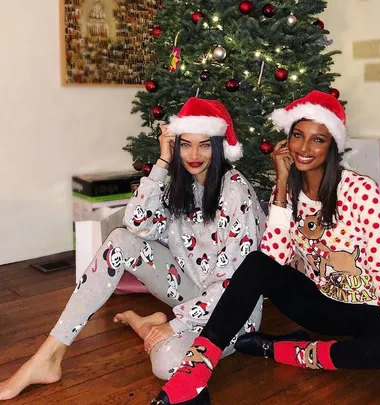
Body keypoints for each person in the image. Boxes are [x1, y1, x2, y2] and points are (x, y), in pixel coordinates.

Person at [151, 91, 380, 405]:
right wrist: (283, 185)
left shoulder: (359, 191)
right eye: (298, 136)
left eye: (318, 140)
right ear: (288, 140)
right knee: (257, 262)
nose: (304, 148)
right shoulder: (286, 190)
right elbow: (273, 258)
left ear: (332, 146)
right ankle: (194, 373)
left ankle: (292, 351)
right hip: (314, 304)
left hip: (364, 309)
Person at [0, 97, 265, 400]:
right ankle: (48, 355)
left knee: (167, 361)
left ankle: (148, 325)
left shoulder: (235, 191)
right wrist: (162, 165)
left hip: (234, 311)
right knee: (120, 241)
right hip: (191, 289)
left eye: (205, 145)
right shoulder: (181, 184)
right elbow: (137, 224)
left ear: (218, 148)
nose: (193, 154)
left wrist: (177, 324)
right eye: (184, 144)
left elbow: (236, 283)